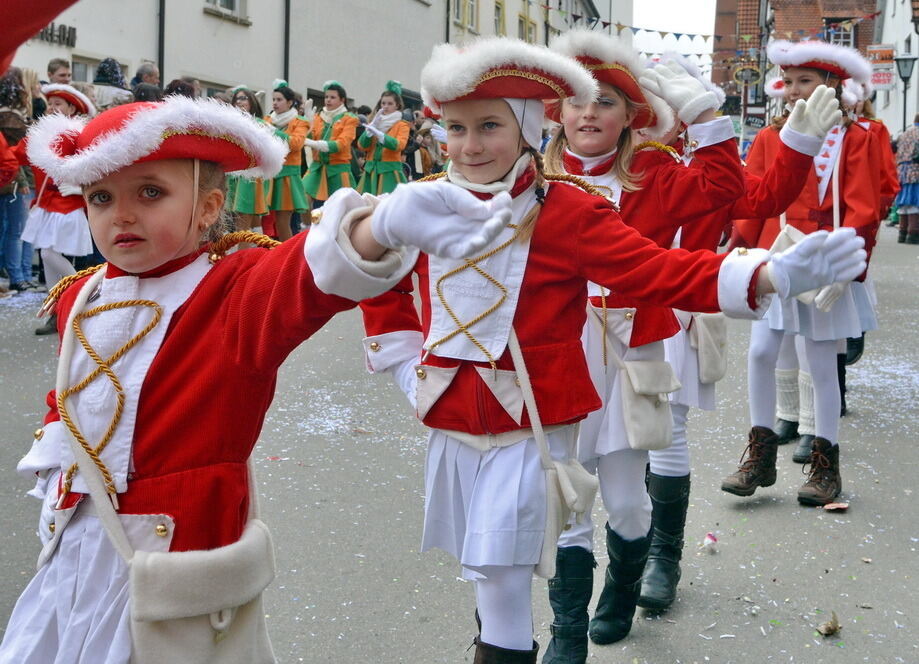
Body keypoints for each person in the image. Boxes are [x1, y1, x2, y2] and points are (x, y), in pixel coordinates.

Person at [351, 37, 865, 661]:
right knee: (552, 513)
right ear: (556, 116)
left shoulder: (627, 180)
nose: (471, 144)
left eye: (490, 126)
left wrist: (716, 126)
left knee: (624, 496)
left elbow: (708, 223)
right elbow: (367, 270)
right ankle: (567, 632)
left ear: (629, 116)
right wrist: (407, 361)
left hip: (630, 345)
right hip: (549, 369)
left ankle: (633, 578)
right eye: (458, 128)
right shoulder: (438, 196)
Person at [1, 94, 496, 663]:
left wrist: (379, 226)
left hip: (176, 557)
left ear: (209, 207)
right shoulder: (81, 296)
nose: (122, 215)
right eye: (101, 198)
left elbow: (306, 274)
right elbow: (70, 407)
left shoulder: (233, 290)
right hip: (75, 549)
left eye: (151, 193)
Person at [725, 40, 877, 507]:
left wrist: (850, 262)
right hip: (777, 258)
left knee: (820, 363)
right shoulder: (772, 137)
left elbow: (864, 206)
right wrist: (738, 244)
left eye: (804, 81)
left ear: (830, 85)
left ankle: (825, 464)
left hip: (827, 260)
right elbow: (755, 197)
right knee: (760, 354)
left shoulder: (857, 138)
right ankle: (760, 454)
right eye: (788, 82)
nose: (792, 91)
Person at [16, 83, 96, 334]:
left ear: (71, 108)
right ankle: (58, 311)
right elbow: (19, 154)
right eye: (50, 104)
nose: (51, 108)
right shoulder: (45, 133)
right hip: (46, 205)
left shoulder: (79, 133)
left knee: (52, 256)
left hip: (69, 204)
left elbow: (95, 164)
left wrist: (82, 188)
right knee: (46, 257)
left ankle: (83, 294)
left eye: (57, 104)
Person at [0, 67, 38, 292]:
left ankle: (21, 274)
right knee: (18, 231)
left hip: (15, 179)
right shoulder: (10, 117)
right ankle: (18, 275)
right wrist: (23, 181)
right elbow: (14, 154)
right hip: (16, 181)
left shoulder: (11, 114)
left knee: (18, 230)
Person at [302, 80, 359, 206]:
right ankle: (307, 224)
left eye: (333, 97)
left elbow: (341, 144)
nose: (328, 100)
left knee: (338, 208)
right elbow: (309, 139)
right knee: (303, 199)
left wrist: (317, 144)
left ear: (342, 100)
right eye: (326, 97)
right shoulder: (318, 117)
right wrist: (309, 124)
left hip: (337, 169)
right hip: (317, 167)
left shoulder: (349, 118)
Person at [265, 82, 308, 241]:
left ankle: (288, 256)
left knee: (283, 221)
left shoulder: (300, 121)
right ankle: (269, 254)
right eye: (273, 99)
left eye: (279, 99)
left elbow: (296, 144)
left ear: (289, 102)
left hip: (287, 177)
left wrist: (274, 132)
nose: (275, 103)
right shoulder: (268, 119)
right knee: (266, 220)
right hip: (269, 174)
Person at [357, 80, 411, 195]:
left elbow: (399, 145)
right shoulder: (375, 121)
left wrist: (381, 136)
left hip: (389, 173)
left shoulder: (402, 124)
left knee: (388, 206)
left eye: (390, 104)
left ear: (397, 105)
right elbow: (362, 146)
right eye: (383, 103)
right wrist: (369, 131)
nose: (386, 106)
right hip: (370, 172)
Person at [229, 87, 270, 237]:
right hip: (233, 174)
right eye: (237, 99)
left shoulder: (259, 123)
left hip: (250, 174)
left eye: (244, 98)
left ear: (252, 102)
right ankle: (257, 250)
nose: (240, 102)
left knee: (244, 217)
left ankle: (245, 256)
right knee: (244, 218)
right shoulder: (230, 123)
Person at [893, 114, 919, 244]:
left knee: (904, 202)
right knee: (914, 201)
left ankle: (902, 233)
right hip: (915, 170)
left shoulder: (904, 134)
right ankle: (913, 233)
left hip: (901, 170)